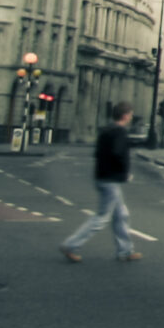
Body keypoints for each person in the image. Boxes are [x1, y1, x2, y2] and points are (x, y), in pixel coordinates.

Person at [61, 101, 140, 263]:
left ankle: (125, 251)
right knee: (102, 217)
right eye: (130, 114)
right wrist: (124, 174)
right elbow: (118, 154)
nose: (131, 117)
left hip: (102, 177)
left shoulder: (105, 130)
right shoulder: (119, 132)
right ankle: (71, 244)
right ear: (125, 115)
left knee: (121, 215)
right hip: (110, 180)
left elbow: (98, 154)